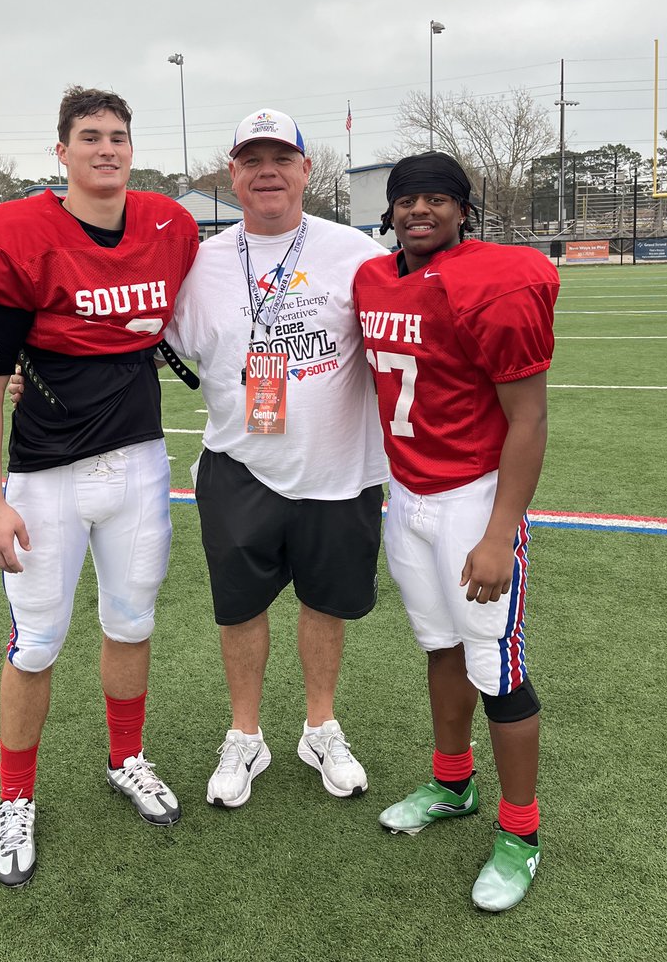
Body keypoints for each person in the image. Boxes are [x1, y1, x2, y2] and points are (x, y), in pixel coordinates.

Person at [0, 86, 199, 887]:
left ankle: (126, 756)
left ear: (134, 148)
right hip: (46, 477)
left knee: (131, 623)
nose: (107, 148)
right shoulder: (17, 235)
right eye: (90, 136)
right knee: (37, 644)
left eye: (119, 136)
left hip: (137, 465)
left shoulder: (171, 226)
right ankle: (15, 798)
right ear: (60, 152)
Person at [352, 151, 559, 913]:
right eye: (409, 201)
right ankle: (450, 783)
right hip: (405, 496)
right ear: (391, 211)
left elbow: (529, 417)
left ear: (464, 210)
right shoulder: (374, 279)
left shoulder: (495, 279)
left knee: (497, 669)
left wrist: (501, 530)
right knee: (440, 646)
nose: (420, 212)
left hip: (473, 497)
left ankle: (521, 834)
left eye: (438, 200)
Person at [164, 109, 389, 808]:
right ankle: (245, 734)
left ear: (304, 169)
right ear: (231, 173)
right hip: (239, 463)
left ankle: (320, 726)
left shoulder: (356, 253)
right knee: (240, 608)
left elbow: (412, 341)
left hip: (339, 465)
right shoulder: (200, 263)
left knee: (326, 603)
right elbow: (135, 340)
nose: (267, 172)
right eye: (251, 159)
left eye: (280, 158)